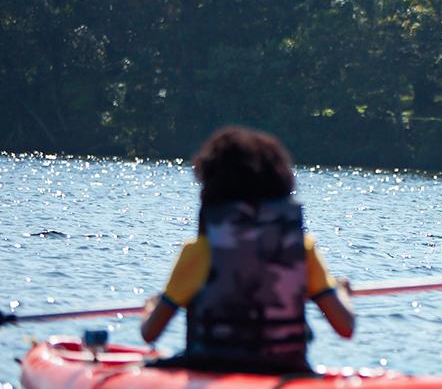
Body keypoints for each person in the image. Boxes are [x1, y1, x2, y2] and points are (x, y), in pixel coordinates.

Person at [139, 125, 355, 373]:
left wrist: (152, 307)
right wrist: (341, 293)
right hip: (284, 369)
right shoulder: (302, 249)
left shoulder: (198, 252)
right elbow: (345, 327)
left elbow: (149, 332)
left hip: (210, 368)